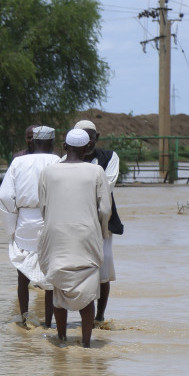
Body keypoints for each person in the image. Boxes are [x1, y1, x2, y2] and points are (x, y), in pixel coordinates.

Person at [37, 129, 111, 347]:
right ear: (87, 148)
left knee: (59, 287)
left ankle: (61, 339)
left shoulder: (48, 172)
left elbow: (43, 206)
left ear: (65, 147)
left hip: (56, 234)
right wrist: (101, 231)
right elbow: (105, 209)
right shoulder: (96, 171)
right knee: (88, 291)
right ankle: (86, 344)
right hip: (86, 235)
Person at [0, 126, 60, 327]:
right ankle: (49, 324)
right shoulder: (58, 162)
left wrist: (12, 226)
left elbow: (6, 197)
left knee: (22, 274)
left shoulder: (18, 162)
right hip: (50, 219)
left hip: (24, 220)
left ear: (33, 141)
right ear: (51, 143)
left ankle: (25, 319)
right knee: (51, 276)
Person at [74, 119, 122, 323]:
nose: (88, 143)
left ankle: (99, 318)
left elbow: (107, 186)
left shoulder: (110, 157)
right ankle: (82, 318)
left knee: (103, 271)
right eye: (83, 138)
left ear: (96, 138)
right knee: (77, 269)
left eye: (90, 138)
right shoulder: (63, 161)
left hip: (103, 223)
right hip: (74, 223)